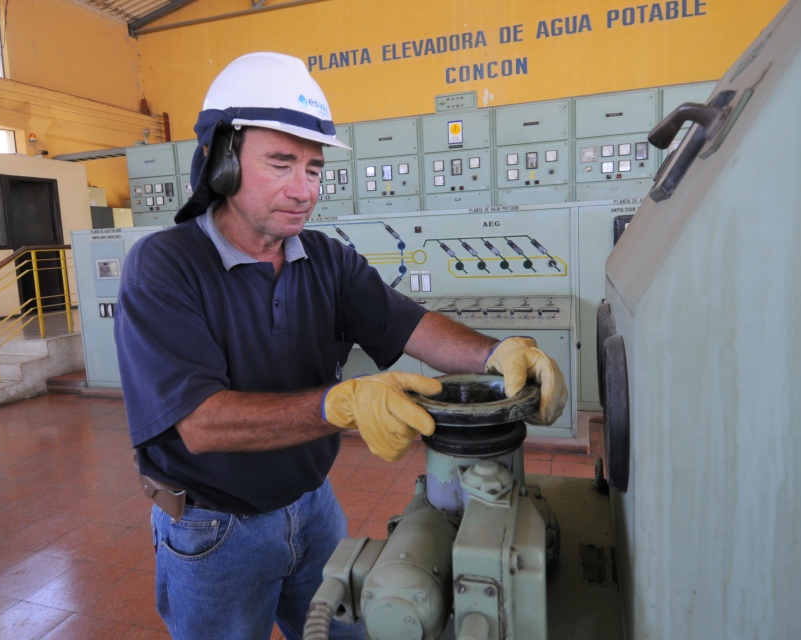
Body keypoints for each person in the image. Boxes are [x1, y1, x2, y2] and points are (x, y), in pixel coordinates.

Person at [114, 51, 568, 640]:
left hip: (314, 509)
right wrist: (339, 403)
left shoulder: (326, 258)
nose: (304, 190)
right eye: (281, 164)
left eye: (313, 168)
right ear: (222, 162)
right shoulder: (164, 266)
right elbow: (200, 423)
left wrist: (496, 353)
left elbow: (410, 325)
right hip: (215, 529)